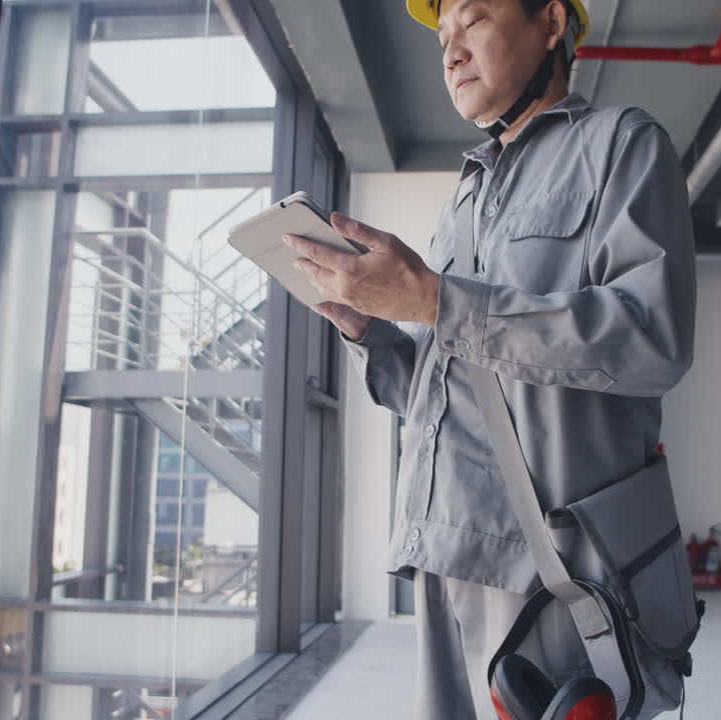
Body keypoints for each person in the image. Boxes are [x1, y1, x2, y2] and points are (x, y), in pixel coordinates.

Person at [282, 0, 697, 717]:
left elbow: (651, 339)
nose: (451, 53)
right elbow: (449, 389)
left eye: (472, 21)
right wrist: (366, 329)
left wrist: (437, 301)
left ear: (552, 23)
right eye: (442, 37)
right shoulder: (465, 199)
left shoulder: (620, 146)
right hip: (444, 556)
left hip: (558, 571)